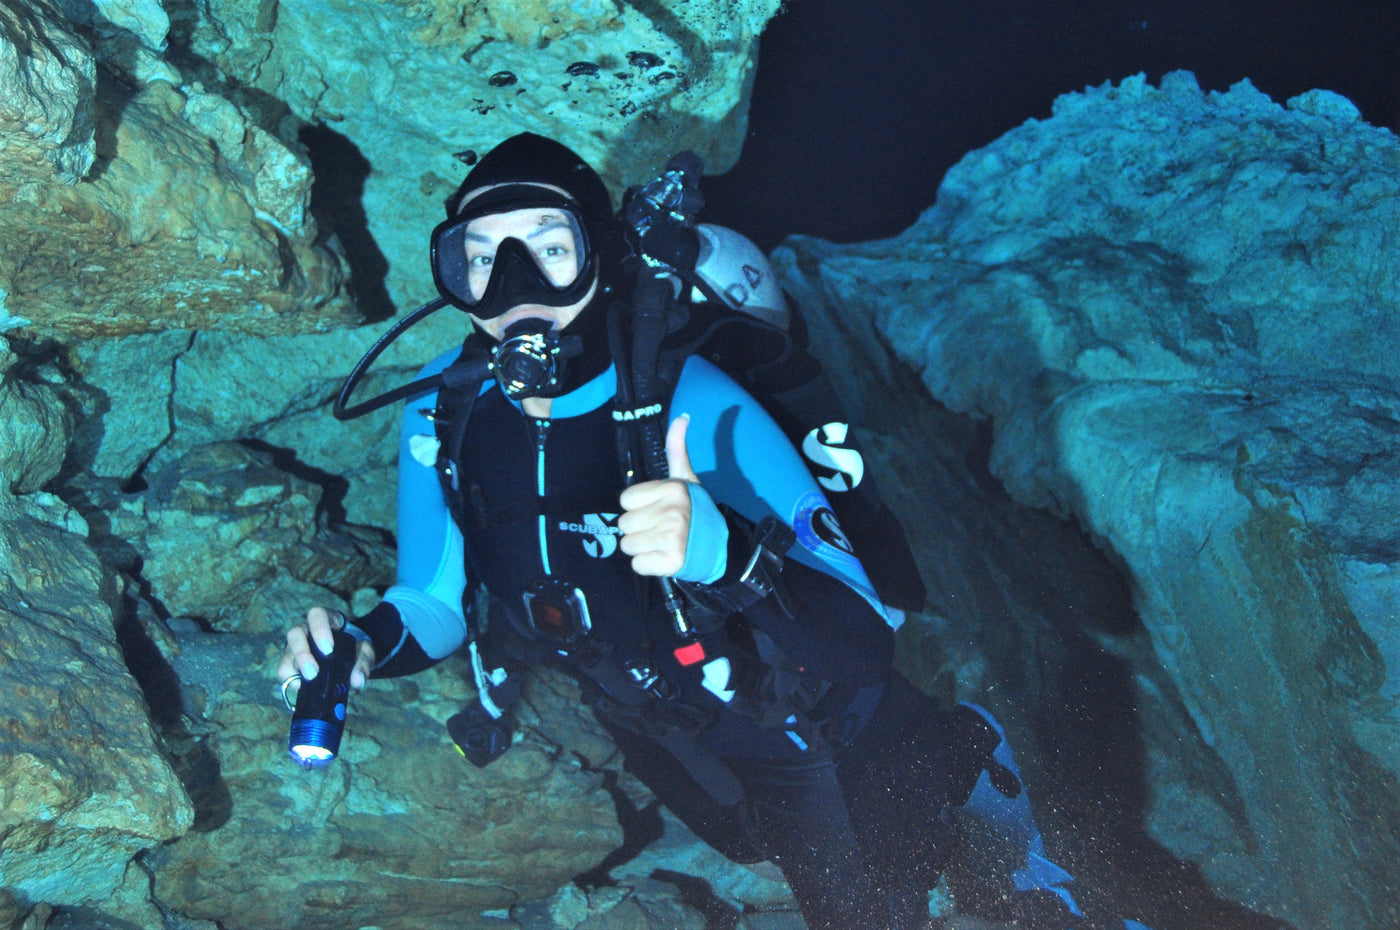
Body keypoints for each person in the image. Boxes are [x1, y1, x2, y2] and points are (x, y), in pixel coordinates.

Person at [277, 133, 1140, 930]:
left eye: (548, 249)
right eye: (478, 260)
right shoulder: (445, 406)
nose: (513, 294)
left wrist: (725, 555)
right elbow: (431, 596)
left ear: (599, 256)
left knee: (873, 900)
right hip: (641, 708)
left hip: (800, 713)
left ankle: (968, 771)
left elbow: (863, 626)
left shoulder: (693, 403)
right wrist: (360, 647)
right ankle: (952, 772)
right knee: (744, 840)